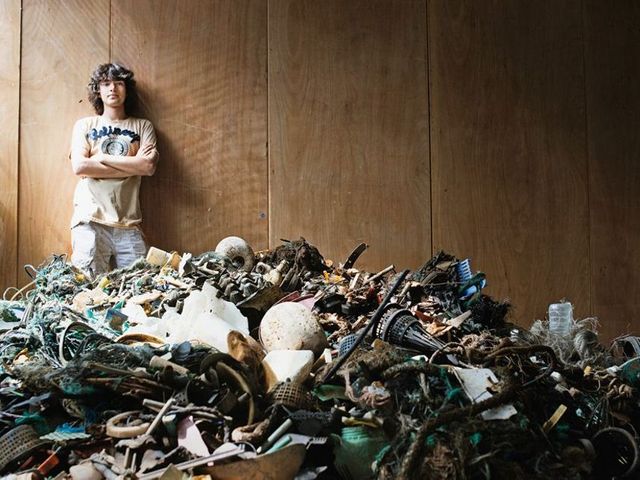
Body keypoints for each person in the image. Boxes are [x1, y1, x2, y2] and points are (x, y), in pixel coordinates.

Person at [69, 63, 158, 278]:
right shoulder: (85, 125)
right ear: (98, 90)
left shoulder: (142, 126)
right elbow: (80, 166)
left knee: (138, 287)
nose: (112, 88)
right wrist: (133, 165)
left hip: (128, 223)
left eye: (119, 83)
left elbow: (148, 167)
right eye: (106, 83)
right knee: (86, 287)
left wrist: (101, 158)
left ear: (127, 89)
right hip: (90, 219)